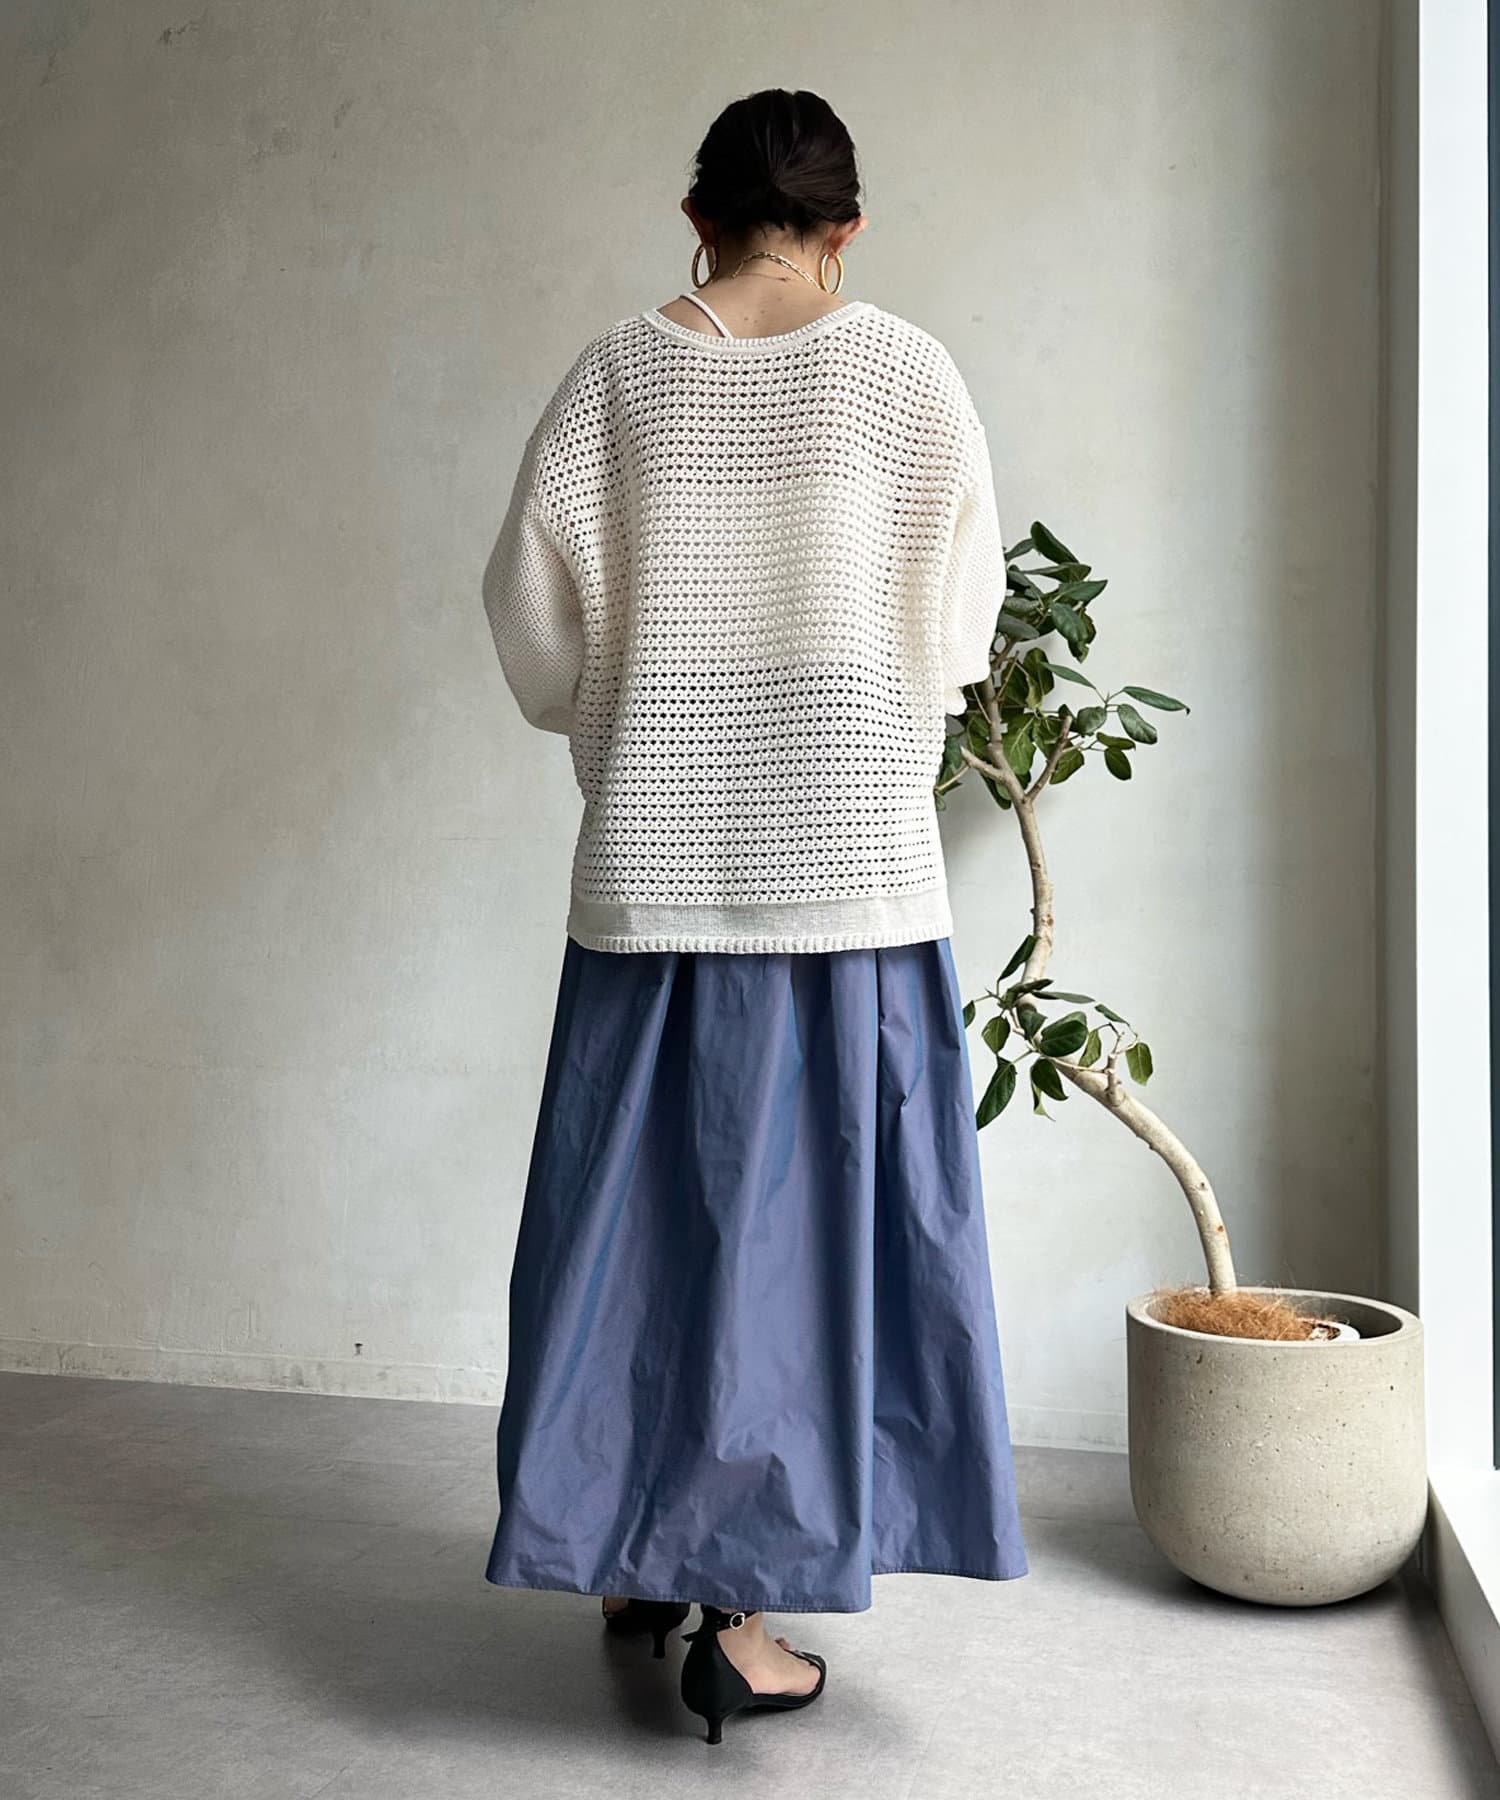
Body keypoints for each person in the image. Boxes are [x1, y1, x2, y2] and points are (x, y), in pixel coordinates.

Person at [479, 85, 1028, 1747]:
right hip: (848, 881)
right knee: (801, 1247)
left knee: (640, 1227)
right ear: (845, 229)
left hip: (656, 875)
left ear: (697, 218)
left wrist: (633, 712)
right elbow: (959, 632)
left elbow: (533, 627)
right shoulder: (908, 374)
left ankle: (634, 1550)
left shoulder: (616, 377)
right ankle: (740, 1618)